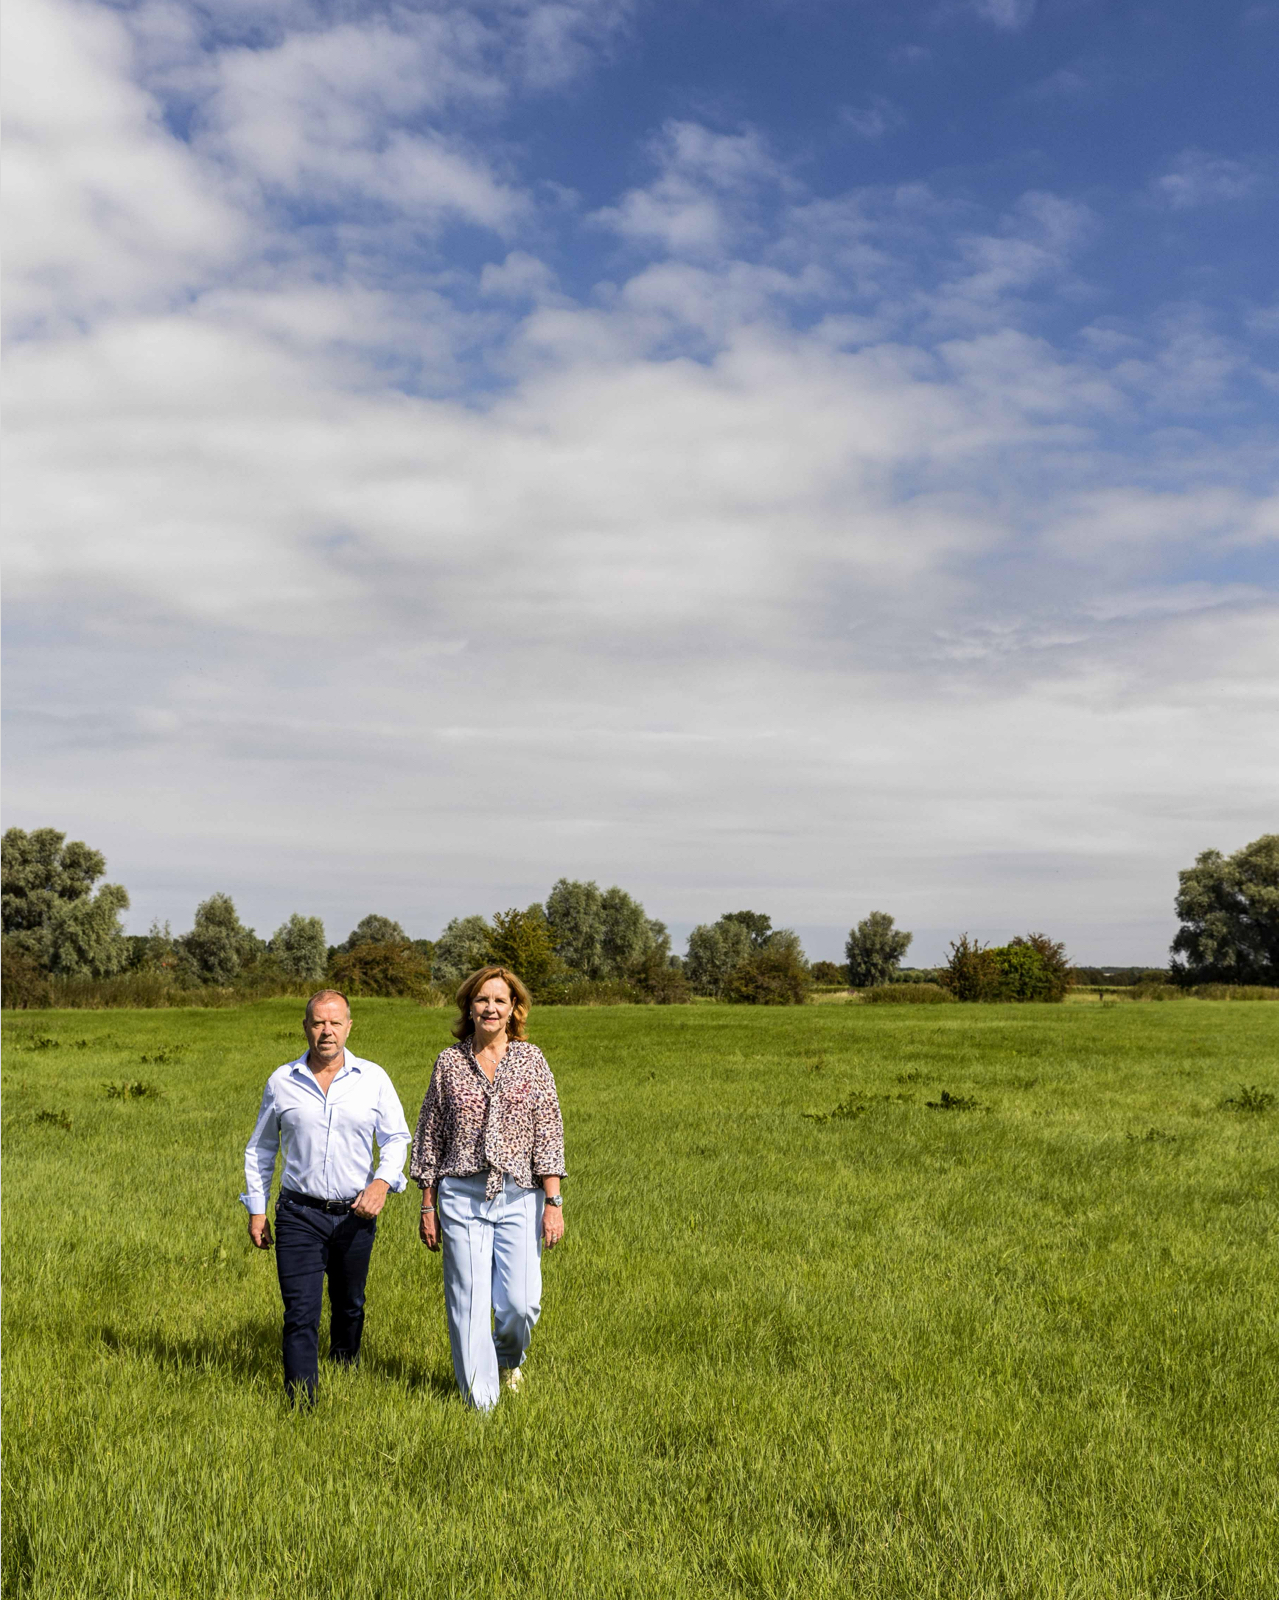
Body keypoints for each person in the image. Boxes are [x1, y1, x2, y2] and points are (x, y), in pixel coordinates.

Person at [242, 989, 411, 1403]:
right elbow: (260, 1149)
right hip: (299, 1213)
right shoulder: (282, 1081)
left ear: (349, 1027)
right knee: (301, 1313)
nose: (327, 1031)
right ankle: (301, 1400)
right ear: (305, 1027)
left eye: (335, 1023)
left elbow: (396, 1138)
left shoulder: (373, 1079)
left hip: (357, 1213)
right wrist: (257, 1210)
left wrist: (382, 1183)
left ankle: (344, 1365)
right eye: (318, 1022)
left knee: (349, 1302)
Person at [411, 965, 566, 1410]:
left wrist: (553, 1201)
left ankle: (507, 1359)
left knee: (519, 1304)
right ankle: (483, 1407)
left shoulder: (531, 1060)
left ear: (514, 1008)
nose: (491, 1008)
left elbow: (548, 1131)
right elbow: (430, 1132)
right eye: (482, 999)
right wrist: (428, 1203)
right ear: (469, 1007)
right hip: (461, 1197)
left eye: (500, 1000)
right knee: (470, 1304)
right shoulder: (449, 1062)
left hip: (521, 1195)